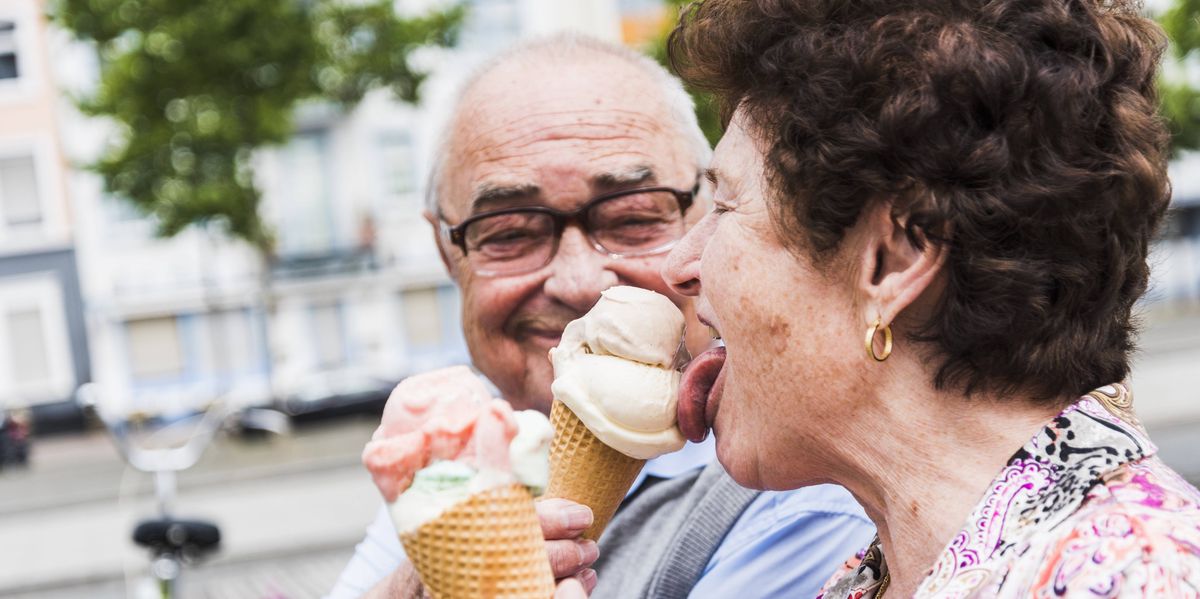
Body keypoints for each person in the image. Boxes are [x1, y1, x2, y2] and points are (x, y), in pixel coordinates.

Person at [663, 0, 1200, 596]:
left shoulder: (1133, 576)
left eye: (728, 206)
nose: (678, 266)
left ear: (894, 261)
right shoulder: (878, 577)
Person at [326, 34, 874, 599]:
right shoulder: (458, 457)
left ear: (710, 219)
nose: (579, 281)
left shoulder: (800, 491)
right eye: (510, 232)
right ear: (449, 254)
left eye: (633, 218)